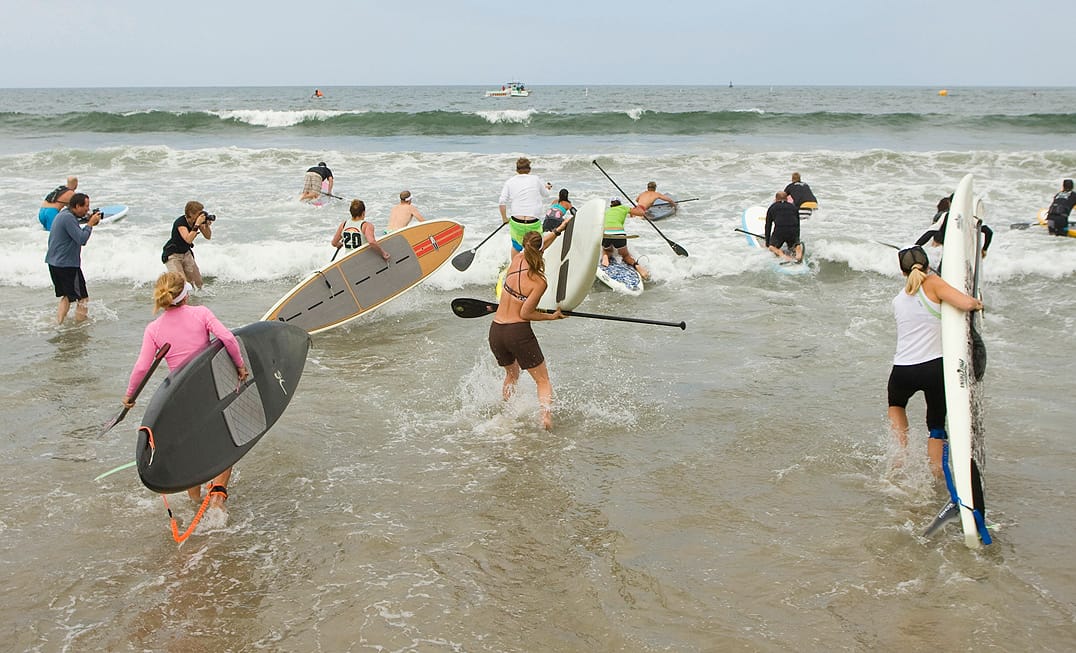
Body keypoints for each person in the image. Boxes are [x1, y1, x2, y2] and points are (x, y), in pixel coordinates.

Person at [122, 272, 248, 509]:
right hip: (210, 390)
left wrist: (130, 395)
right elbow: (228, 339)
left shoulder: (154, 329)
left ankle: (195, 501)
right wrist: (240, 366)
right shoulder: (201, 313)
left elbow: (142, 367)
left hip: (181, 398)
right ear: (185, 294)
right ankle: (217, 497)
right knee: (225, 441)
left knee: (193, 447)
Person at [887, 246, 982, 478]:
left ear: (902, 272)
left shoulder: (898, 300)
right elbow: (966, 303)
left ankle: (900, 457)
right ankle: (938, 474)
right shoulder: (933, 283)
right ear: (928, 266)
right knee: (936, 425)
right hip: (933, 368)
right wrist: (978, 303)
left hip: (901, 371)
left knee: (896, 406)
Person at [489, 230, 567, 430]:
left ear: (524, 246)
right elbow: (526, 313)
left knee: (511, 374)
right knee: (542, 380)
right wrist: (551, 317)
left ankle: (507, 414)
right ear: (541, 249)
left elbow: (540, 245)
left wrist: (559, 230)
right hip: (517, 332)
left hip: (496, 331)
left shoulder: (516, 260)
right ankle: (546, 418)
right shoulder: (539, 281)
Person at [45, 192, 101, 324]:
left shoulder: (64, 214)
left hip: (54, 263)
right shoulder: (69, 218)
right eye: (86, 206)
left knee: (67, 297)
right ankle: (80, 327)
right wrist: (90, 224)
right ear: (77, 206)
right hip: (67, 265)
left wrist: (89, 220)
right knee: (83, 299)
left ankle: (58, 323)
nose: (87, 209)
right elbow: (82, 239)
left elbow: (75, 225)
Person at [498, 157, 553, 256]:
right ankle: (535, 263)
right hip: (533, 223)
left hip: (517, 222)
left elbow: (502, 202)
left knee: (516, 246)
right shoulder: (535, 179)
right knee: (537, 247)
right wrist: (547, 188)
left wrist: (504, 219)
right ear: (529, 169)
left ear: (517, 170)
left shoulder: (510, 181)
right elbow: (546, 194)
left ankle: (514, 264)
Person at [915, 196, 993, 259]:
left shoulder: (945, 216)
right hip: (964, 255)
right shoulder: (970, 218)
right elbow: (989, 232)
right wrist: (984, 249)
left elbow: (930, 233)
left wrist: (916, 247)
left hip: (949, 254)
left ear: (950, 203)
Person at [161, 201, 213, 289]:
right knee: (181, 284)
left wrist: (206, 226)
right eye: (199, 214)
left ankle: (194, 298)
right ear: (190, 214)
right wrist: (197, 224)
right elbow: (188, 240)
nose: (201, 216)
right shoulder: (180, 222)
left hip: (186, 253)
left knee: (198, 283)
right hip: (173, 255)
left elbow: (208, 236)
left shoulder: (197, 222)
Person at [600, 198, 650, 279]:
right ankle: (637, 267)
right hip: (619, 233)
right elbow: (641, 213)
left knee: (607, 250)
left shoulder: (607, 211)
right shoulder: (624, 208)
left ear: (611, 204)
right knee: (626, 255)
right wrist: (638, 207)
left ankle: (605, 257)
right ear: (620, 203)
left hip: (607, 233)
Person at [764, 191, 803, 262]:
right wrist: (797, 240)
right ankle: (798, 252)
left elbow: (768, 226)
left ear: (776, 199)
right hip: (792, 232)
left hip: (780, 232)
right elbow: (797, 224)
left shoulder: (772, 207)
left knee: (772, 247)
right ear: (787, 199)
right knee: (794, 245)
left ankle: (781, 253)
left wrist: (768, 243)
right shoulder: (793, 207)